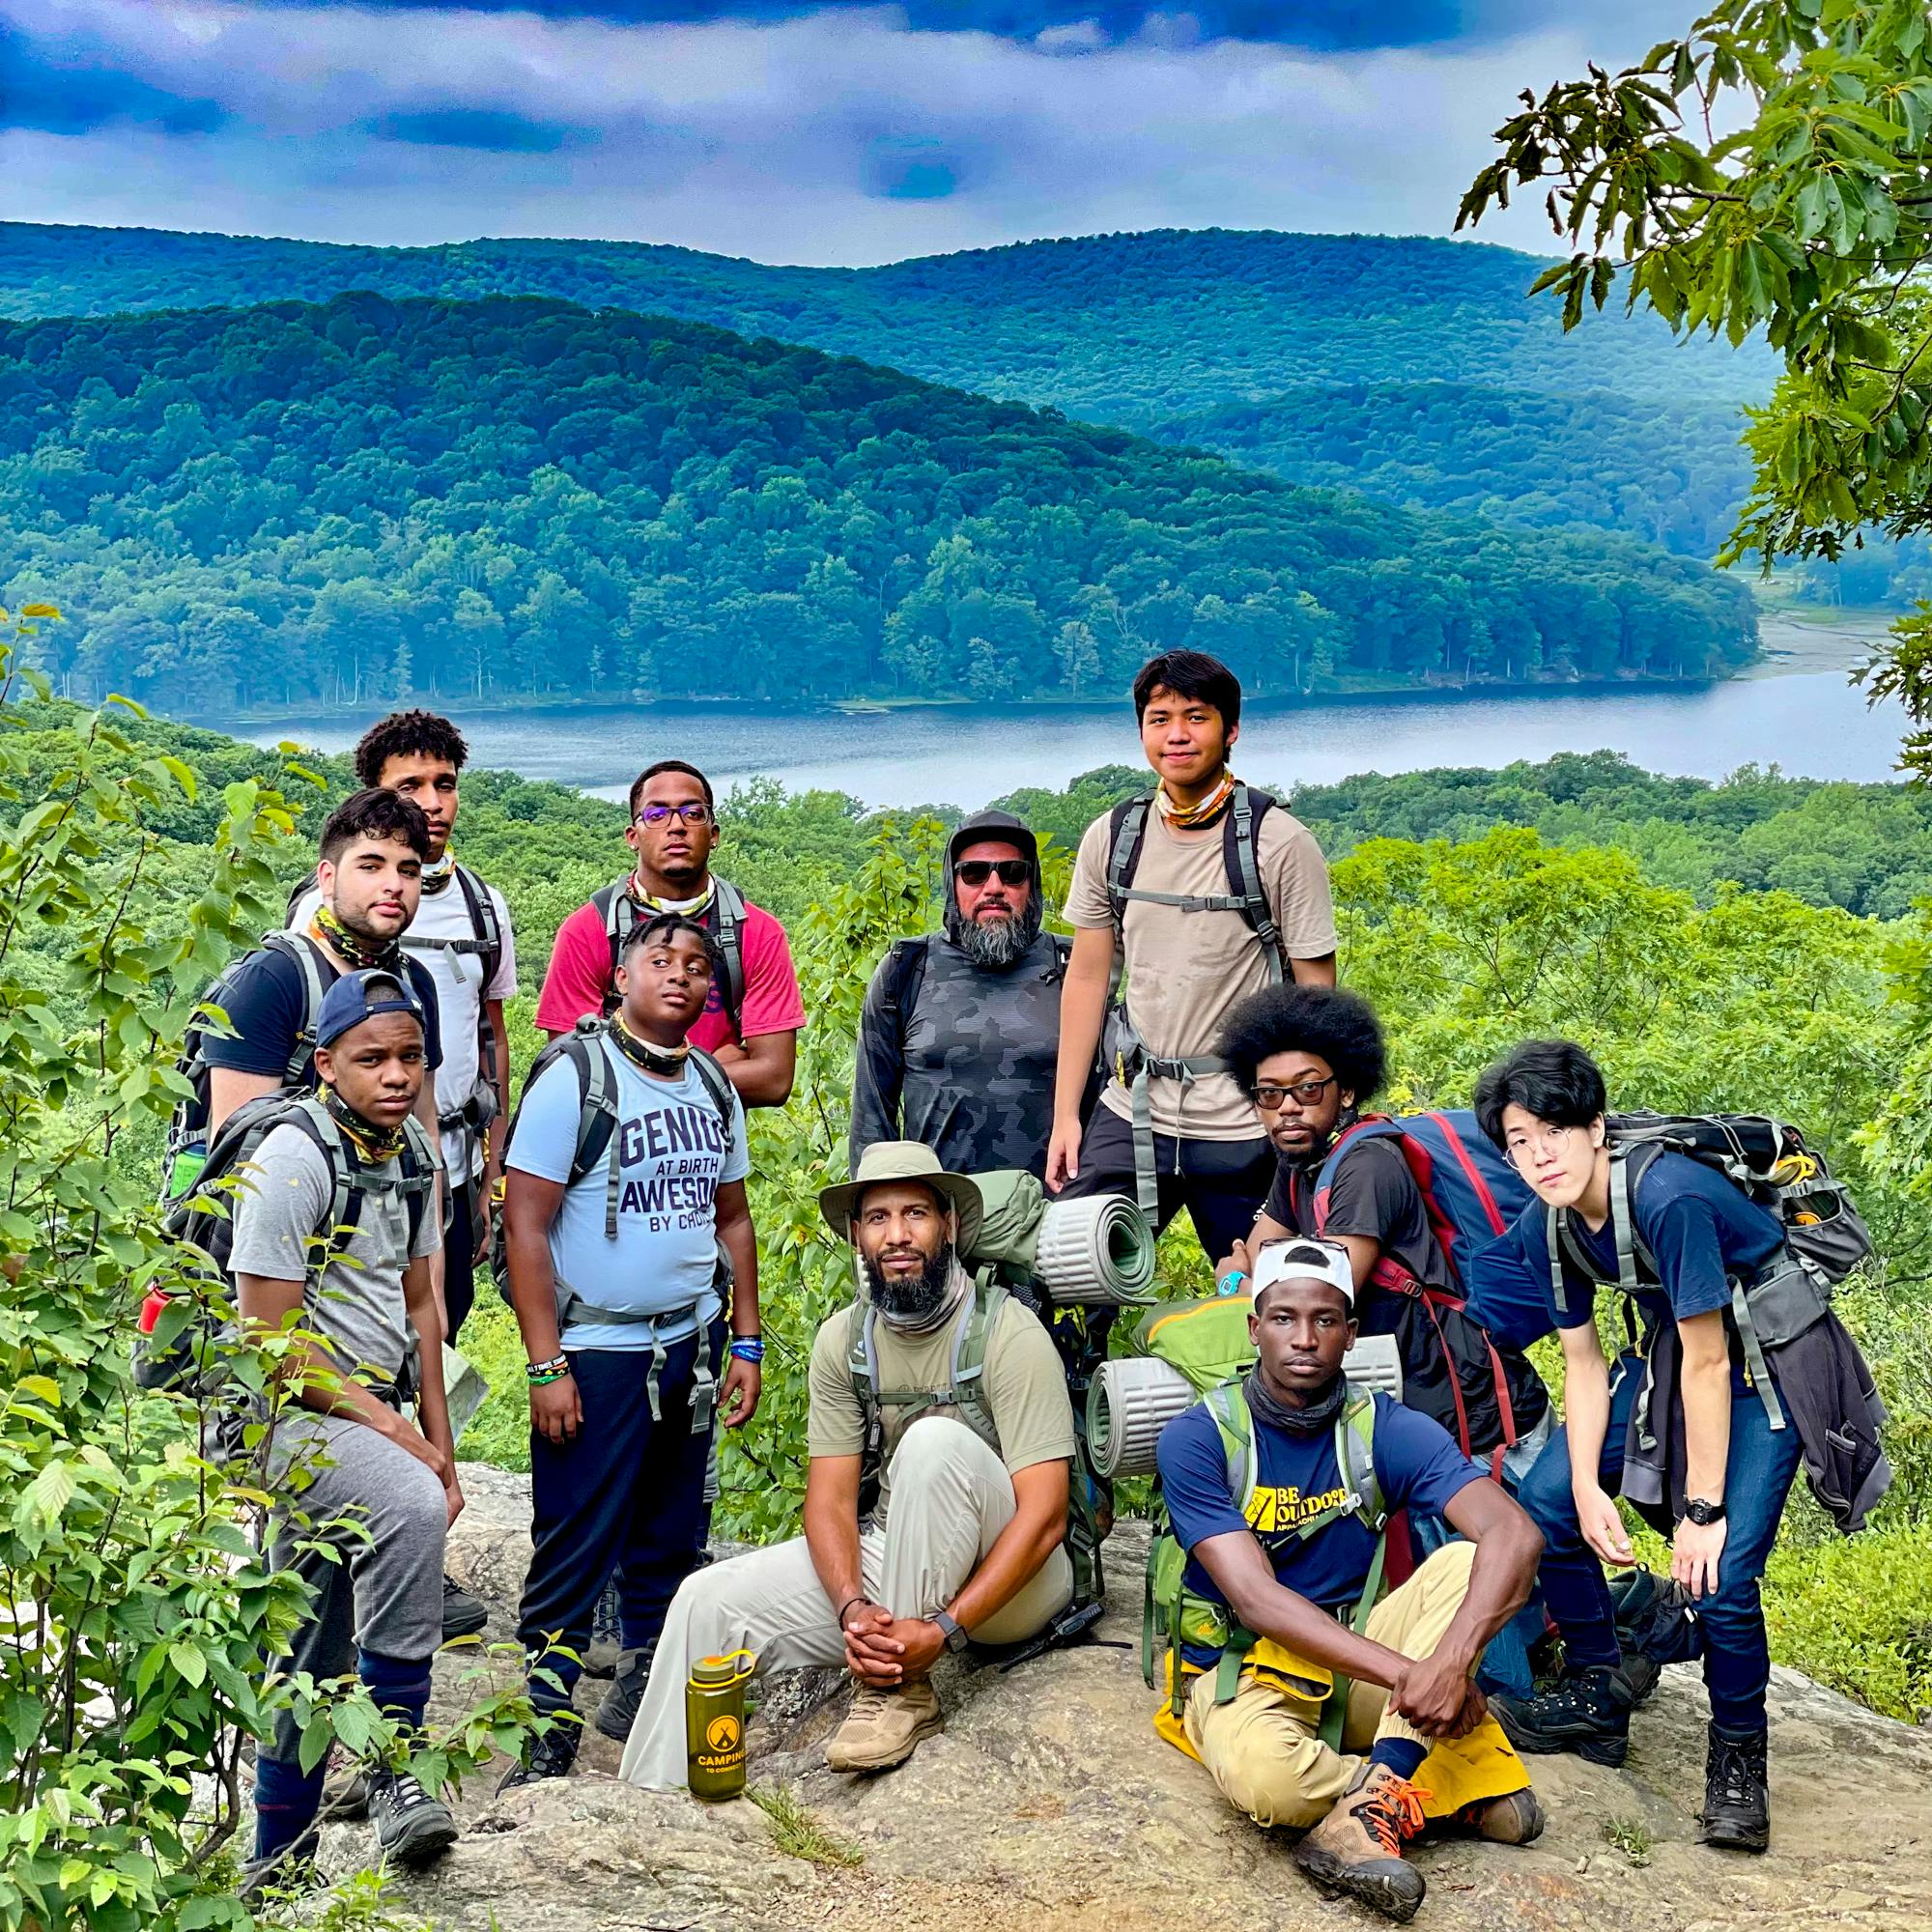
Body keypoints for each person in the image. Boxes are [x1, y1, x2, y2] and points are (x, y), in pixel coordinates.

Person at [617, 1142, 1076, 1791]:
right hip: (910, 1557)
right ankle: (655, 1805)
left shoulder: (1007, 1333)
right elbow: (829, 1501)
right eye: (877, 1218)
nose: (897, 1235)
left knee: (932, 1443)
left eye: (915, 1213)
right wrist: (852, 1608)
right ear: (857, 1236)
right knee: (704, 1601)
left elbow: (1046, 1516)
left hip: (1019, 1582)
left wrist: (943, 1630)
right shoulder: (843, 1340)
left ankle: (899, 1695)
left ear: (947, 1223)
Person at [1467, 1040, 1802, 1851]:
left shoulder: (1669, 1198)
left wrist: (1701, 1508)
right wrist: (1583, 1486)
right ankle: (1598, 1692)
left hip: (1767, 1368)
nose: (1538, 1154)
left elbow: (1716, 1358)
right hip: (1673, 1357)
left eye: (1553, 1130)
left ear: (1596, 1126)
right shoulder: (1549, 1223)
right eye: (1518, 1139)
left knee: (1720, 1575)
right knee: (1542, 1505)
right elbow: (1581, 1362)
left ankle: (1737, 1764)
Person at [1155, 1238, 1545, 1923]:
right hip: (1242, 1669)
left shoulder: (1384, 1428)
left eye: (1325, 1320)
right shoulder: (1200, 1437)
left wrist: (1450, 1665)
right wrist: (1416, 1678)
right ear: (1255, 1327)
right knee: (1270, 1784)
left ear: (1351, 1332)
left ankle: (1367, 1807)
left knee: (1462, 1561)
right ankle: (1431, 1785)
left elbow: (1515, 1534)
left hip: (1349, 1656)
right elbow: (1257, 1598)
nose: (1304, 1338)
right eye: (1283, 1318)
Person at [497, 914, 761, 1786]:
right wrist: (546, 1362)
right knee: (575, 1538)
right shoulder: (578, 1078)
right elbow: (524, 1220)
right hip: (596, 1351)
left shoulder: (713, 1087)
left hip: (685, 1342)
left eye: (697, 966)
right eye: (661, 960)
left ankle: (648, 1686)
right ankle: (546, 1723)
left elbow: (732, 1217)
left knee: (669, 1535)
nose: (681, 976)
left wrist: (747, 1338)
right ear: (620, 979)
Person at [234, 970, 460, 1893]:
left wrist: (441, 1444)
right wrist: (410, 1455)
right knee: (405, 1506)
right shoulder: (294, 1156)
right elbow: (270, 1343)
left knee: (310, 1636)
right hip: (273, 1409)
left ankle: (276, 1859)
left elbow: (422, 1306)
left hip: (362, 1410)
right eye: (372, 1057)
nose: (397, 1073)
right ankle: (397, 1766)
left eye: (410, 1055)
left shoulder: (408, 1154)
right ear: (325, 1063)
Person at [1048, 650, 1337, 1259]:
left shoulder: (1277, 842)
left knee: (1266, 1300)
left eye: (1196, 717)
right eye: (1159, 719)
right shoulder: (1114, 837)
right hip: (1133, 1111)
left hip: (1241, 1123)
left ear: (1230, 730)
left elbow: (1317, 1002)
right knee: (1066, 1276)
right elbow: (1088, 981)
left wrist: (1306, 1126)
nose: (1176, 735)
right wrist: (1066, 1116)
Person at [1209, 983, 1550, 1462]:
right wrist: (1254, 1273)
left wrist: (1234, 1282)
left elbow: (1315, 1297)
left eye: (1308, 1088)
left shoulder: (1367, 1166)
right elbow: (1260, 1251)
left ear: (1345, 1090)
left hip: (1474, 1420)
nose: (1288, 1106)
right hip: (1410, 1408)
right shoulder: (1300, 1163)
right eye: (1269, 1094)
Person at [290, 711, 515, 1343]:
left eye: (445, 784)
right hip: (354, 1177)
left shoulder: (482, 904)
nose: (433, 803)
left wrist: (493, 1170)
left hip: (453, 1164)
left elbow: (491, 1037)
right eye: (410, 786)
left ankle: (425, 1442)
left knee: (439, 1332)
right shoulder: (327, 907)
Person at [535, 759, 804, 1108]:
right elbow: (570, 1077)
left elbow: (773, 1081)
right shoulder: (590, 931)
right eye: (656, 815)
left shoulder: (755, 932)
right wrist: (717, 1063)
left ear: (714, 834)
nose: (676, 826)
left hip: (714, 1152)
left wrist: (634, 1073)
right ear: (633, 836)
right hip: (609, 1152)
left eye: (693, 813)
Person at [203, 788, 444, 1148]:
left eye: (408, 871)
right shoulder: (271, 982)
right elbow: (237, 1159)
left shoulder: (414, 983)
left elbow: (423, 1131)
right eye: (370, 866)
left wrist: (432, 1204)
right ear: (327, 878)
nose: (394, 885)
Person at [850, 810, 1067, 1179]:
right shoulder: (906, 970)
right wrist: (878, 1214)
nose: (994, 887)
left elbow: (1114, 1105)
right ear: (953, 885)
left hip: (1060, 1217)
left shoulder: (1073, 969)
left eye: (1013, 873)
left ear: (1032, 885)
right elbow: (872, 1119)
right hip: (940, 1216)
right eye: (974, 873)